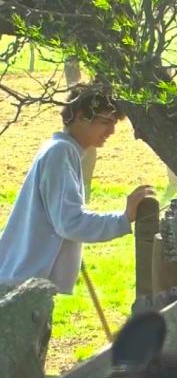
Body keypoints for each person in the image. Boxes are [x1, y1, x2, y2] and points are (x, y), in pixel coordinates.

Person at [0, 89, 155, 294]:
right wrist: (123, 218)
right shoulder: (60, 152)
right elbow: (70, 223)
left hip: (24, 282)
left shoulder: (62, 150)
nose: (112, 131)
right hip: (22, 288)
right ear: (81, 116)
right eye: (106, 122)